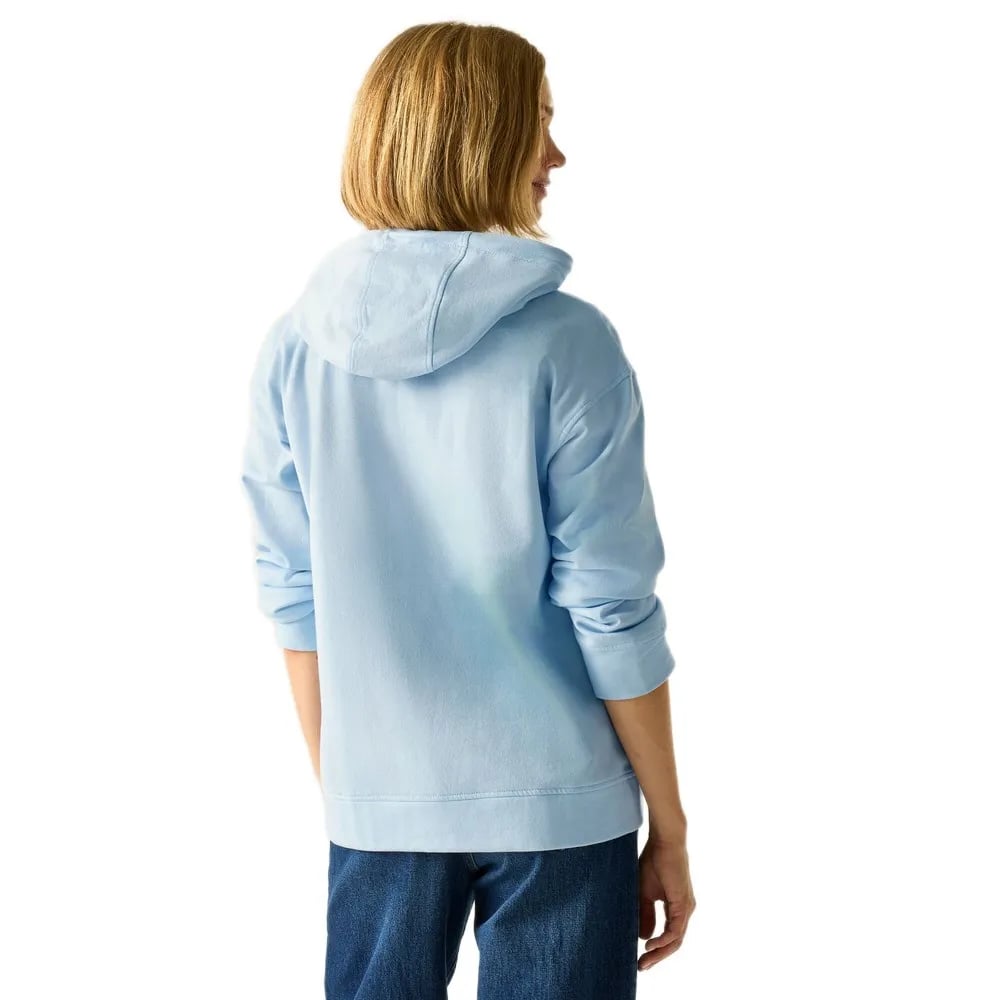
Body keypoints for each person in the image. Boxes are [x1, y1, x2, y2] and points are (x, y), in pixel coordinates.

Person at [240, 20, 695, 1000]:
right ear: (479, 140)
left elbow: (293, 593)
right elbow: (610, 604)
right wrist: (671, 824)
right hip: (561, 806)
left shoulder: (294, 347)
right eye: (539, 125)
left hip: (379, 805)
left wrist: (360, 790)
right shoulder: (568, 343)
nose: (556, 157)